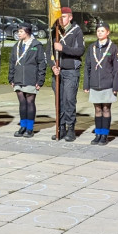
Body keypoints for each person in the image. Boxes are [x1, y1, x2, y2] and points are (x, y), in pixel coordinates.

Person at [49, 7, 85, 141]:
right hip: (58, 71)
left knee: (69, 99)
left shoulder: (76, 31)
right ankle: (61, 127)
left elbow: (80, 50)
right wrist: (53, 66)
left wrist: (63, 48)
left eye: (63, 16)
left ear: (70, 17)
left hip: (70, 71)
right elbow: (49, 52)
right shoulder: (55, 32)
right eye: (59, 16)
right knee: (59, 101)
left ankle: (71, 128)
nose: (61, 19)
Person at [84, 21, 118, 145]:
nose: (100, 33)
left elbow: (116, 69)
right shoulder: (92, 47)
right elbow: (87, 66)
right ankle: (98, 133)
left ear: (108, 32)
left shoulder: (113, 48)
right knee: (97, 109)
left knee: (106, 108)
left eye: (102, 31)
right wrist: (86, 84)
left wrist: (116, 86)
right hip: (95, 84)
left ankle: (104, 135)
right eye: (98, 31)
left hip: (107, 84)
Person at [8, 23, 46, 137]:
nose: (18, 33)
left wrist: (40, 80)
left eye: (21, 31)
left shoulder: (36, 45)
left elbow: (41, 63)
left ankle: (30, 128)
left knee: (30, 102)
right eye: (18, 31)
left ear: (27, 32)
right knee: (22, 103)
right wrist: (11, 77)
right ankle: (23, 126)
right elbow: (12, 62)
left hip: (31, 78)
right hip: (18, 77)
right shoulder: (17, 45)